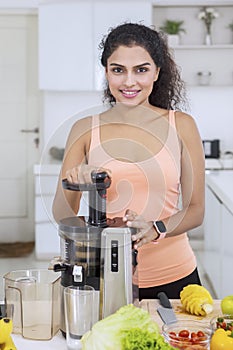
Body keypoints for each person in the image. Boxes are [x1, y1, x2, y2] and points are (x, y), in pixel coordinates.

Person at [53, 22, 205, 300]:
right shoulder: (84, 129)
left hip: (175, 276)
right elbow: (62, 213)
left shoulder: (181, 125)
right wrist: (80, 185)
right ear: (107, 72)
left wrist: (156, 228)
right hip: (105, 278)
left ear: (157, 72)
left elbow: (195, 210)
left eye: (141, 70)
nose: (129, 82)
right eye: (118, 69)